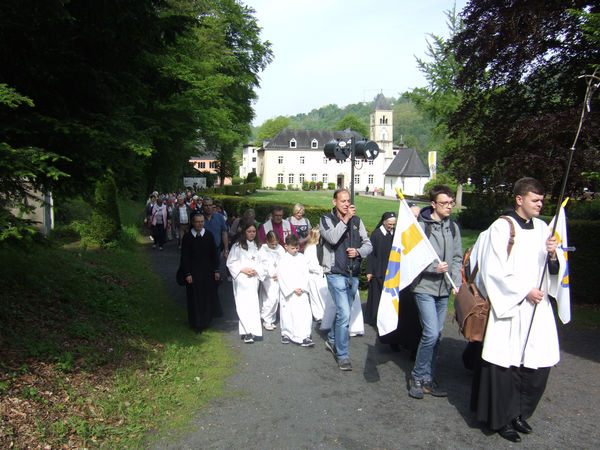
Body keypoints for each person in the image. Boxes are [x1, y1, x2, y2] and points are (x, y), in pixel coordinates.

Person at [470, 177, 564, 443]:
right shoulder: (502, 228)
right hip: (511, 308)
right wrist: (524, 290)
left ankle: (520, 414)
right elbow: (492, 270)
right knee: (505, 365)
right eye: (535, 199)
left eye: (542, 200)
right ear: (519, 199)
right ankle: (502, 419)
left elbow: (554, 270)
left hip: (538, 308)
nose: (540, 204)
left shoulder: (544, 227)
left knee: (536, 364)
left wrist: (553, 255)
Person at [409, 185, 462, 399]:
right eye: (444, 203)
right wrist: (433, 268)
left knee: (437, 335)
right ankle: (417, 376)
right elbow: (411, 258)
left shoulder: (453, 228)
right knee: (431, 333)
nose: (449, 207)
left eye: (451, 203)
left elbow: (457, 258)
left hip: (445, 289)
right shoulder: (421, 227)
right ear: (433, 204)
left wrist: (456, 281)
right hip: (424, 287)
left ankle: (428, 377)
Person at [319, 189, 372, 371]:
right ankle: (342, 354)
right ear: (334, 202)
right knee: (344, 313)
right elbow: (332, 238)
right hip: (335, 273)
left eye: (348, 201)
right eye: (342, 201)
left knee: (344, 312)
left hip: (352, 274)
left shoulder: (357, 222)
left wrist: (358, 252)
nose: (346, 204)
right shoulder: (326, 220)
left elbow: (368, 244)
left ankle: (333, 339)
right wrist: (346, 219)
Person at [180, 214, 220, 333]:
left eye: (202, 222)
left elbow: (214, 254)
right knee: (194, 298)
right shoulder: (187, 237)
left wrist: (216, 270)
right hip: (193, 272)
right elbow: (185, 257)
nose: (200, 224)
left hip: (207, 272)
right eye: (197, 222)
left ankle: (206, 320)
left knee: (206, 296)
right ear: (193, 222)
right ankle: (196, 323)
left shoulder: (208, 235)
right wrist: (187, 273)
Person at [226, 221, 264, 344]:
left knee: (253, 304)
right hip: (241, 278)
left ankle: (255, 330)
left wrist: (256, 270)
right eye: (249, 231)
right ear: (244, 232)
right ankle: (246, 331)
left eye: (253, 231)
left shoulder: (259, 246)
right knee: (242, 304)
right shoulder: (237, 246)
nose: (251, 234)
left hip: (253, 278)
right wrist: (242, 269)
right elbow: (231, 262)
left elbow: (264, 263)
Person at [278, 234, 314, 347]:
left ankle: (305, 335)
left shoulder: (302, 258)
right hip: (289, 292)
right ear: (286, 246)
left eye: (297, 248)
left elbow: (306, 274)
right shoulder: (283, 260)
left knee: (304, 313)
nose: (295, 250)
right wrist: (292, 289)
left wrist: (302, 287)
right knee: (289, 313)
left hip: (301, 291)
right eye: (292, 248)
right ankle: (287, 333)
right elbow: (282, 276)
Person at [364, 211, 397, 327]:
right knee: (376, 296)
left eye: (393, 224)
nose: (391, 227)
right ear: (384, 222)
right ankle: (373, 318)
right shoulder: (376, 234)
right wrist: (369, 271)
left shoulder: (394, 234)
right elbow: (371, 254)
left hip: (390, 270)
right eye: (389, 224)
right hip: (378, 270)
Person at [258, 231, 285, 330]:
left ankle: (271, 319)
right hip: (267, 278)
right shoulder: (262, 249)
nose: (274, 246)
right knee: (270, 298)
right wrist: (269, 274)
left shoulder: (280, 249)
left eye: (276, 244)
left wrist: (279, 273)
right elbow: (261, 264)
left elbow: (283, 262)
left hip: (277, 277)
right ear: (267, 242)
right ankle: (266, 319)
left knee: (276, 299)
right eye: (272, 244)